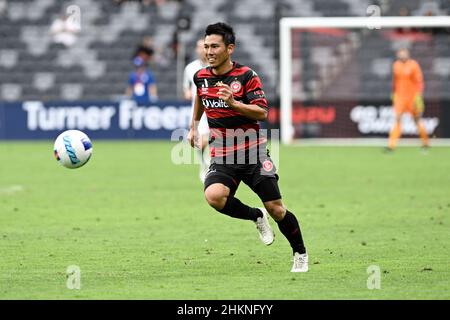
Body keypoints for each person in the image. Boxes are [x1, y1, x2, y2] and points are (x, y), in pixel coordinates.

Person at [187, 22, 308, 272]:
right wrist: (194, 125)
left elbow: (262, 112)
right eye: (206, 46)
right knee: (214, 197)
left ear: (229, 48)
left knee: (276, 209)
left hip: (252, 153)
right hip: (222, 153)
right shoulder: (200, 76)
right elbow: (200, 96)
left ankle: (300, 252)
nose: (209, 51)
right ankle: (255, 216)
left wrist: (233, 102)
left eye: (214, 46)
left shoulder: (246, 76)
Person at [387, 48, 429, 151]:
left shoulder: (413, 65)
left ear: (408, 54)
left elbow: (419, 81)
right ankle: (391, 146)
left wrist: (418, 96)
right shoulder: (396, 65)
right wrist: (393, 93)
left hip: (412, 98)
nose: (402, 55)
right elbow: (395, 81)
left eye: (404, 53)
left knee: (417, 120)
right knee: (397, 119)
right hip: (400, 98)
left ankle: (425, 143)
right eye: (400, 53)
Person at [183, 39, 210, 182]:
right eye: (199, 47)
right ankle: (204, 164)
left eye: (204, 47)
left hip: (213, 107)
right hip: (198, 110)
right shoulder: (190, 68)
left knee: (211, 140)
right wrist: (187, 93)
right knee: (200, 142)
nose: (201, 50)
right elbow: (186, 88)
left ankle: (209, 165)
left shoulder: (215, 66)